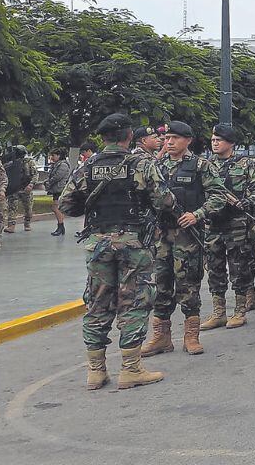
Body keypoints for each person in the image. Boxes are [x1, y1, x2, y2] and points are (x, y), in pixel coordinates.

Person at [59, 113, 176, 391]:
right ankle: (131, 369)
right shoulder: (141, 164)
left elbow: (66, 204)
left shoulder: (89, 166)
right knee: (134, 301)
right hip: (133, 243)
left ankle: (96, 372)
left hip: (97, 243)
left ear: (102, 138)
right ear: (129, 136)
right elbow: (165, 201)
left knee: (98, 303)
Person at [141, 121, 228, 358]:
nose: (169, 142)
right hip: (161, 235)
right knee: (161, 285)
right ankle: (161, 337)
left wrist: (197, 214)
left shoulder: (201, 166)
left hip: (187, 236)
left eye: (175, 138)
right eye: (167, 138)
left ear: (188, 140)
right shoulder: (156, 166)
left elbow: (219, 196)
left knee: (188, 285)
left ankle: (191, 336)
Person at [200, 124, 255, 331]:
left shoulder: (245, 164)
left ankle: (239, 310)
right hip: (213, 223)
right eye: (213, 140)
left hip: (237, 223)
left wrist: (247, 201)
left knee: (239, 267)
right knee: (214, 268)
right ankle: (219, 312)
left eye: (219, 140)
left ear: (231, 143)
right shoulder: (205, 165)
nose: (215, 143)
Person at [4, 145, 36, 234]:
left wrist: (31, 184)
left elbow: (35, 174)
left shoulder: (29, 162)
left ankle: (27, 223)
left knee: (28, 208)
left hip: (26, 188)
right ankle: (11, 226)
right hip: (14, 188)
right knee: (12, 207)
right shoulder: (11, 162)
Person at [46, 147, 73, 237]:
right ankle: (60, 227)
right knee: (56, 208)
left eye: (53, 155)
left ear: (59, 155)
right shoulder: (58, 164)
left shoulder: (63, 165)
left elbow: (57, 176)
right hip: (57, 189)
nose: (52, 157)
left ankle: (61, 226)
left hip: (60, 189)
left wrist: (48, 182)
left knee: (56, 208)